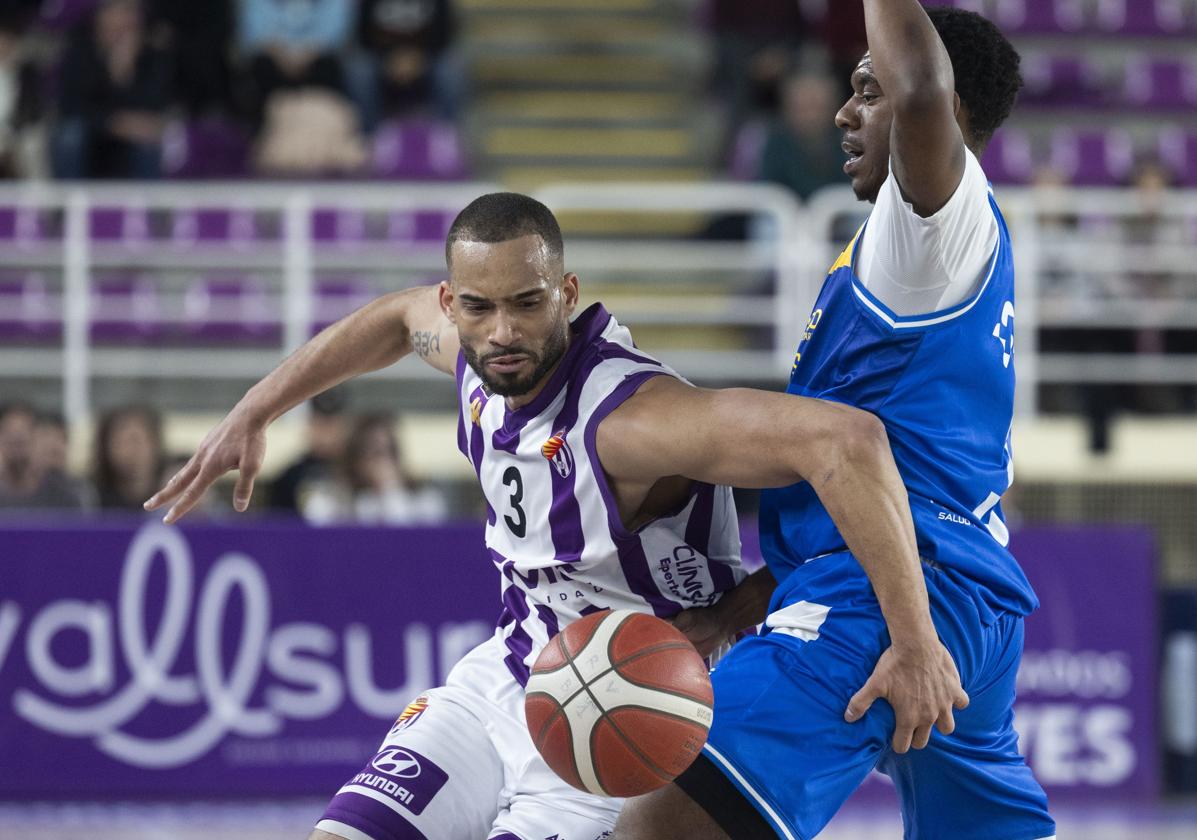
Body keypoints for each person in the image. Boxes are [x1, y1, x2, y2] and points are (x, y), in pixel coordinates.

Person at [146, 192, 963, 840]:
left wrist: (910, 639)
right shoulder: (472, 350)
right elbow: (395, 319)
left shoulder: (634, 420)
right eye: (477, 307)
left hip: (617, 710)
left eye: (527, 304)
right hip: (504, 675)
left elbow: (847, 441)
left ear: (565, 295)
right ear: (453, 302)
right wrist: (256, 408)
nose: (502, 331)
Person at [615, 4, 1056, 839]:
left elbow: (922, 87)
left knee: (655, 829)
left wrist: (912, 637)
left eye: (866, 90)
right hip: (967, 601)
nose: (845, 113)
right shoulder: (917, 251)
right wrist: (733, 612)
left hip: (891, 606)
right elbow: (875, 494)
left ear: (942, 112)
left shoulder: (926, 225)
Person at [52, 0, 172, 179]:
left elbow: (154, 106)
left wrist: (125, 74)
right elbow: (72, 107)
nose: (125, 19)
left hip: (133, 138)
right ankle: (71, 203)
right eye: (117, 11)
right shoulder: (78, 52)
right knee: (70, 135)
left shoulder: (152, 56)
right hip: (92, 135)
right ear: (100, 16)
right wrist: (116, 123)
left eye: (131, 11)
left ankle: (148, 205)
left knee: (150, 140)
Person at [301, 412, 449, 525]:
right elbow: (317, 521)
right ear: (354, 456)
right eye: (372, 452)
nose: (380, 461)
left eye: (388, 451)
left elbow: (407, 539)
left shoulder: (423, 498)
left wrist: (392, 490)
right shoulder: (333, 498)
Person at [0, 402, 90, 510]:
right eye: (10, 435)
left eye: (24, 435)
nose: (17, 439)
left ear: (38, 438)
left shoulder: (64, 497)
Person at [94, 405, 165, 510]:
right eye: (120, 443)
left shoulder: (175, 491)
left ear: (154, 443)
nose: (129, 451)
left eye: (135, 440)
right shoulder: (91, 499)